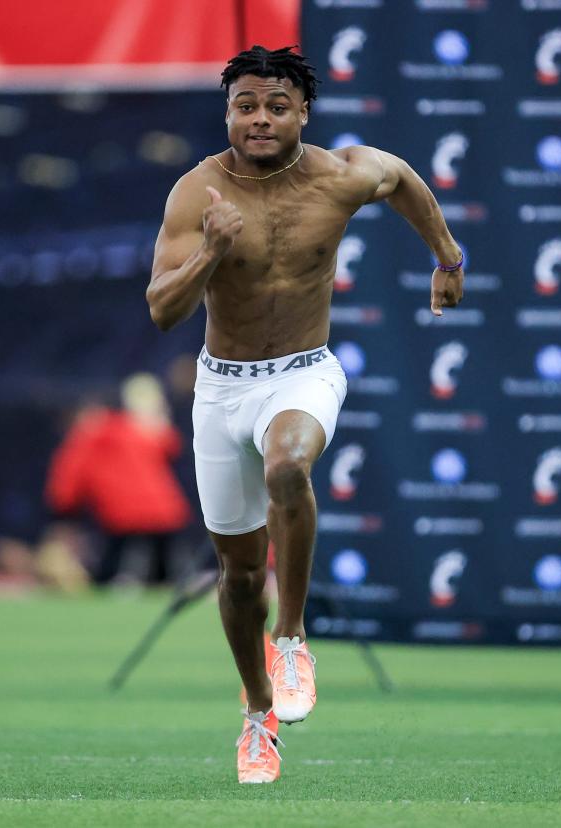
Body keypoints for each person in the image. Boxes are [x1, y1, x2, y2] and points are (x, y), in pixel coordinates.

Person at [146, 45, 464, 784]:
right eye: (246, 106)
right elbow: (163, 311)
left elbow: (406, 181)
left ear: (303, 114)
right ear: (227, 113)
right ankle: (257, 716)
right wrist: (209, 256)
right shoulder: (197, 194)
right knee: (238, 577)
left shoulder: (342, 174)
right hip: (221, 388)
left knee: (290, 464)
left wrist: (447, 260)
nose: (261, 119)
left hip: (303, 372)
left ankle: (290, 638)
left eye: (277, 106)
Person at [44, 374, 192, 586]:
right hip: (165, 512)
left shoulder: (86, 436)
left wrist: (63, 513)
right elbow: (171, 445)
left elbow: (67, 480)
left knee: (112, 571)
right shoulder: (129, 427)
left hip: (123, 514)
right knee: (166, 575)